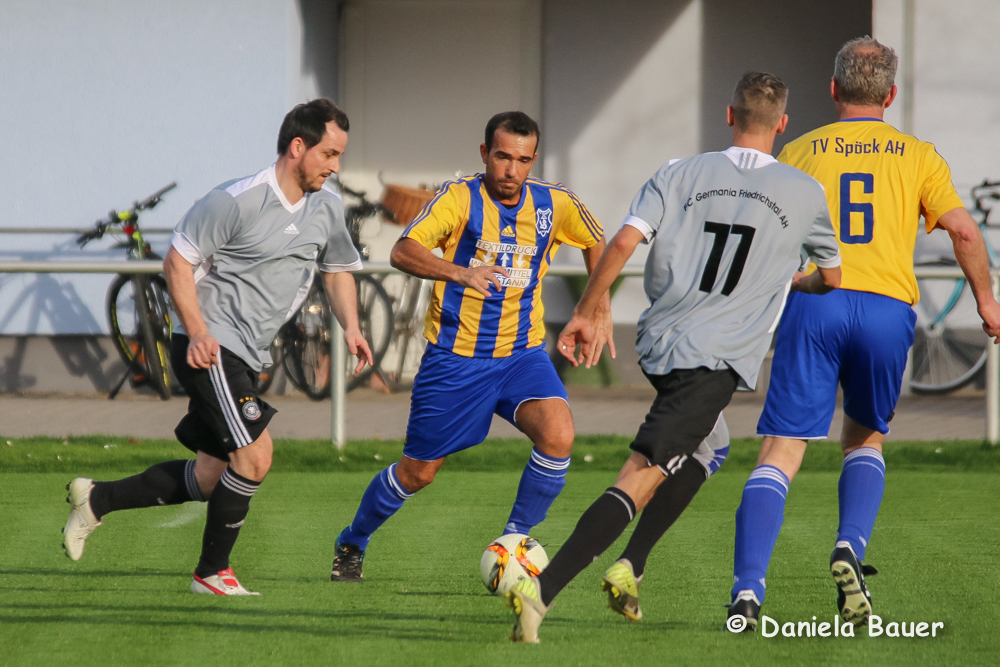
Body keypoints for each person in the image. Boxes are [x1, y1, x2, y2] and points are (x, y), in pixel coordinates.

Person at [505, 72, 843, 643]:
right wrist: (795, 278)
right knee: (640, 475)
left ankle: (630, 566)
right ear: (783, 126)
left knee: (711, 448)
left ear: (729, 115)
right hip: (712, 360)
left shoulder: (677, 171)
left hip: (659, 344)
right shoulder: (804, 191)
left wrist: (589, 309)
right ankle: (540, 594)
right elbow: (831, 277)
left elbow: (620, 242)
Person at [729, 37, 1000, 631]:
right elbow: (963, 233)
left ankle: (747, 592)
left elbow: (753, 235)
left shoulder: (799, 150)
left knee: (782, 449)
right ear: (892, 95)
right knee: (866, 438)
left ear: (833, 89)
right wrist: (986, 301)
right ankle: (850, 547)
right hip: (885, 311)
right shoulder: (918, 154)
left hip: (816, 301)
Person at [62, 99, 373, 595]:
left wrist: (352, 328)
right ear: (298, 147)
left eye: (339, 156)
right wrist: (199, 330)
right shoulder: (235, 200)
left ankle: (96, 501)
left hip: (248, 352)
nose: (335, 167)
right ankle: (211, 574)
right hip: (209, 345)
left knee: (211, 477)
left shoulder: (326, 207)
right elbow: (177, 263)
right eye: (329, 154)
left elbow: (336, 270)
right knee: (255, 456)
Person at [329, 111, 614, 582]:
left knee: (559, 435)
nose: (512, 170)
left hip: (522, 355)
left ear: (533, 159)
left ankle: (513, 543)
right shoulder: (457, 198)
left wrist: (596, 306)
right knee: (417, 474)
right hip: (456, 359)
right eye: (502, 157)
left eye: (523, 160)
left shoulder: (554, 202)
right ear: (485, 154)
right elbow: (403, 249)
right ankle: (353, 540)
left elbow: (597, 239)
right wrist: (461, 272)